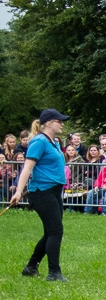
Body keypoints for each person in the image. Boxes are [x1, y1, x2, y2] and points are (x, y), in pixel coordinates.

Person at [11, 109, 71, 281]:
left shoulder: (54, 143)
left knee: (50, 232)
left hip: (54, 191)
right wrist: (18, 191)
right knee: (55, 231)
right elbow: (27, 168)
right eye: (59, 121)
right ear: (49, 123)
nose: (62, 124)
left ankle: (31, 267)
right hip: (42, 192)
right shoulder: (39, 141)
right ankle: (54, 272)